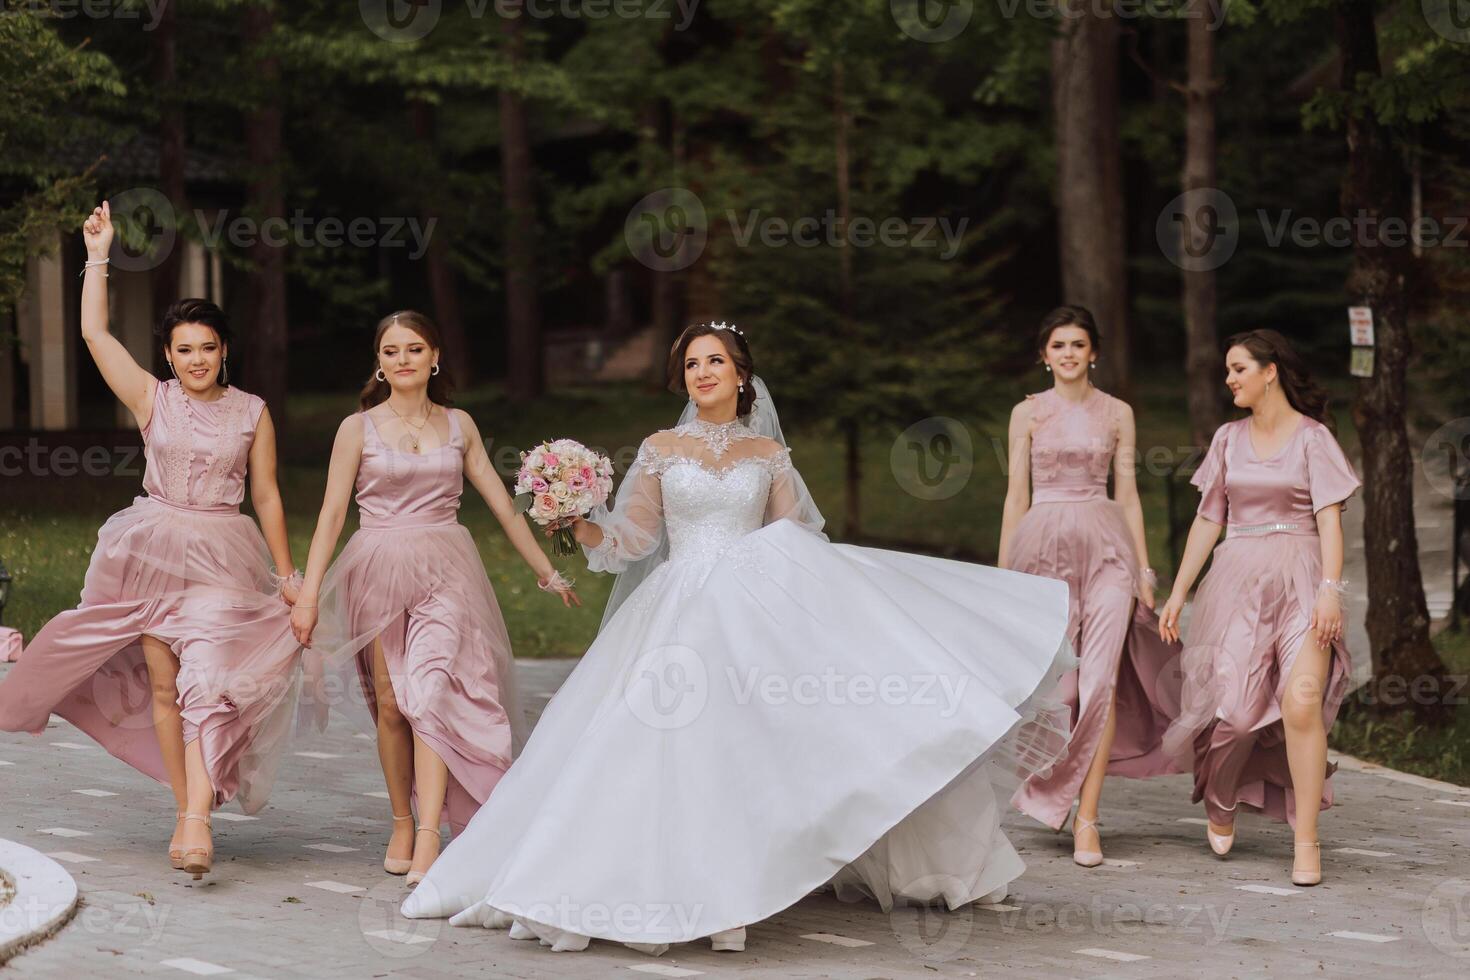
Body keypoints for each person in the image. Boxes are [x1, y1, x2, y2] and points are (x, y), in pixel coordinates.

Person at [400, 320, 1075, 955]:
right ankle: (651, 883)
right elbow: (634, 539)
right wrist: (575, 518)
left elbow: (799, 536)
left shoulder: (769, 453)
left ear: (741, 374)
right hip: (679, 603)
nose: (701, 372)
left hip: (754, 605)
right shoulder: (661, 450)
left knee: (756, 744)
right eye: (691, 364)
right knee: (662, 743)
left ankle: (745, 881)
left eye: (714, 361)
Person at [0, 202, 303, 880]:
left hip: (225, 556)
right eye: (185, 349)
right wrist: (99, 254)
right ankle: (188, 810)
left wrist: (287, 574)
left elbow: (269, 496)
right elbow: (93, 332)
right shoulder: (152, 398)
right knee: (165, 688)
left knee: (207, 680)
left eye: (209, 348)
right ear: (169, 355)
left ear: (226, 351)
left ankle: (197, 815)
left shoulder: (252, 412)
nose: (197, 360)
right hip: (151, 552)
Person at [290, 310, 578, 887]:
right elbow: (331, 513)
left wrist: (547, 571)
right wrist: (309, 596)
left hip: (447, 571)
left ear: (434, 357)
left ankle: (431, 835)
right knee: (393, 706)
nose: (403, 360)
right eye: (392, 351)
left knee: (431, 694)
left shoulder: (460, 425)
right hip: (376, 569)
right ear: (379, 361)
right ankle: (402, 818)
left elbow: (500, 503)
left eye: (414, 349)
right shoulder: (357, 429)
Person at [1158, 329, 1360, 887]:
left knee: (1300, 704)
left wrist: (1329, 590)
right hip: (1239, 582)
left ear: (1270, 371)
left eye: (1239, 368)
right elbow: (1207, 520)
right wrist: (1177, 592)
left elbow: (1329, 519)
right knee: (1240, 713)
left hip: (1302, 580)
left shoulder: (1315, 439)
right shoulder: (1227, 438)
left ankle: (1305, 840)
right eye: (1228, 370)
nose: (1230, 379)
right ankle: (1219, 793)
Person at [1000, 306, 1183, 867]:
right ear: (1044, 355)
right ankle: (1045, 788)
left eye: (1079, 344)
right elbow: (1016, 495)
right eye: (1059, 345)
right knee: (1063, 688)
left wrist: (1145, 571)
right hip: (1043, 546)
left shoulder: (1118, 413)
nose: (1069, 354)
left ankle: (1087, 818)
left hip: (1107, 547)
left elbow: (1128, 492)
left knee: (1102, 681)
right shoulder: (1027, 414)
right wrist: (1004, 576)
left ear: (1094, 353)